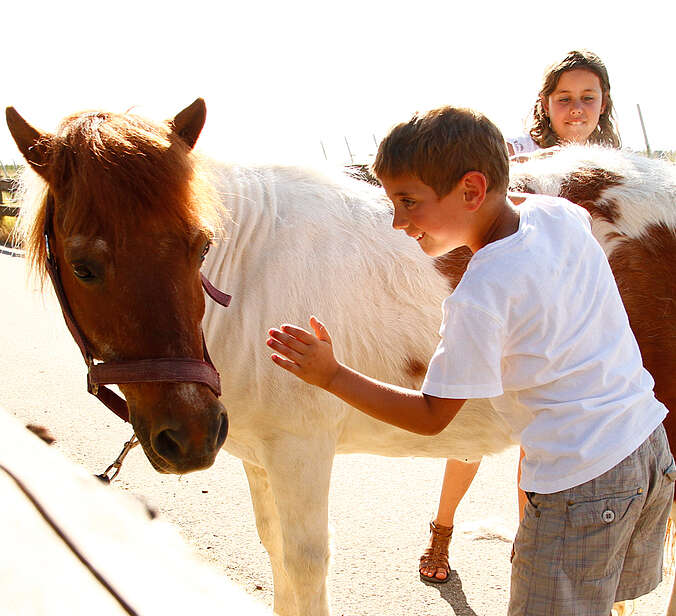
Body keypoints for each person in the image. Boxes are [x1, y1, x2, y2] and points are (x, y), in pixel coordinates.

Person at [266, 106, 673, 615]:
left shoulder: (480, 293)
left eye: (408, 201)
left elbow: (432, 417)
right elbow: (521, 197)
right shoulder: (560, 216)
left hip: (581, 485)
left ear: (473, 190)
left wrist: (332, 374)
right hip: (647, 452)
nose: (396, 222)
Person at [421, 48, 623, 585]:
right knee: (472, 423)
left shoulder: (613, 162)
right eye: (564, 98)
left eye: (587, 98)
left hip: (566, 312)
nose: (575, 108)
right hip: (504, 295)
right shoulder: (517, 152)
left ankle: (527, 545)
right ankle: (441, 530)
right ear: (546, 104)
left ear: (603, 105)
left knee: (536, 437)